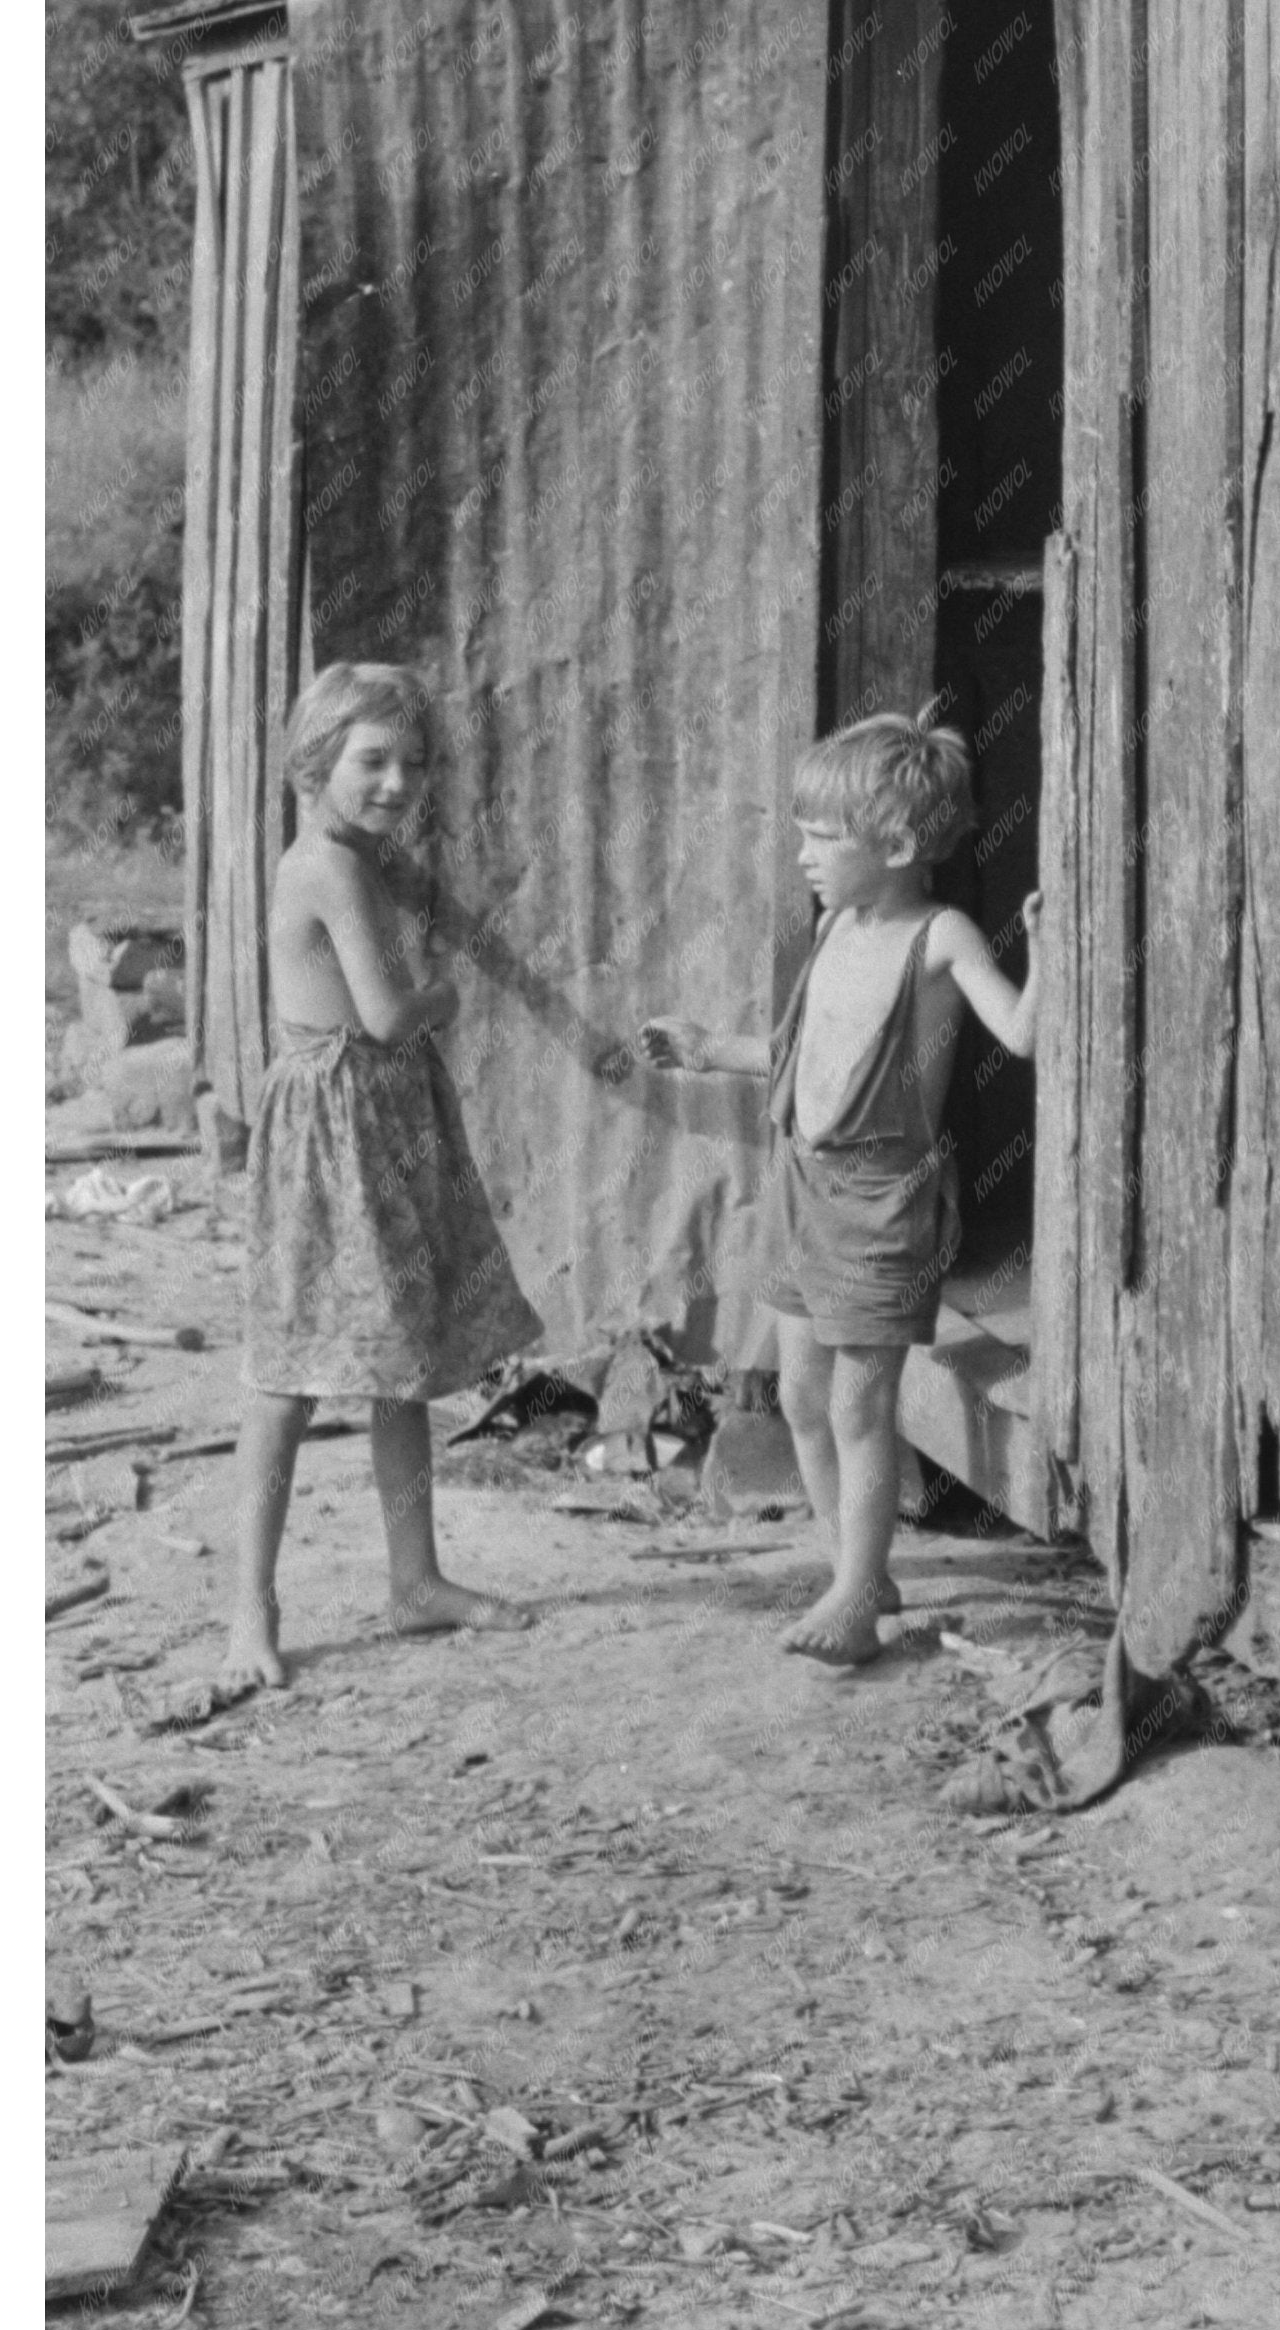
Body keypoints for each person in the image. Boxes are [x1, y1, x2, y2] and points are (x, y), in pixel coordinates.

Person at [638, 715, 1039, 1665]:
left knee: (862, 1406)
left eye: (823, 836)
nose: (804, 854)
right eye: (802, 831)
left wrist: (1048, 945)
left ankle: (858, 1592)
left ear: (897, 846)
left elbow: (1021, 1033)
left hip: (881, 1202)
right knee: (802, 1395)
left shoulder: (939, 937)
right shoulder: (836, 925)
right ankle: (851, 1568)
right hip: (801, 1186)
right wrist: (708, 1050)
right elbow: (807, 1050)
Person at [226, 663, 539, 1689]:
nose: (400, 781)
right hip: (335, 1125)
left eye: (415, 762)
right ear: (314, 763)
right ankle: (249, 1611)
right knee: (288, 1375)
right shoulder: (331, 866)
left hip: (372, 1119)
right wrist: (447, 992)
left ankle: (416, 1582)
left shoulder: (347, 853)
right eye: (374, 761)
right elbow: (385, 1016)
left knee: (394, 1356)